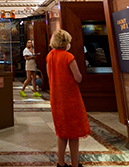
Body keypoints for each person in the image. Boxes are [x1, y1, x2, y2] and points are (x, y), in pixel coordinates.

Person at [47, 29, 90, 167]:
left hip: (56, 98)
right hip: (70, 98)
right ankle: (75, 164)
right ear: (65, 42)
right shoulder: (68, 56)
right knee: (74, 133)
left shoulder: (50, 56)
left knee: (61, 132)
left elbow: (49, 76)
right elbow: (78, 77)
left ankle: (60, 163)